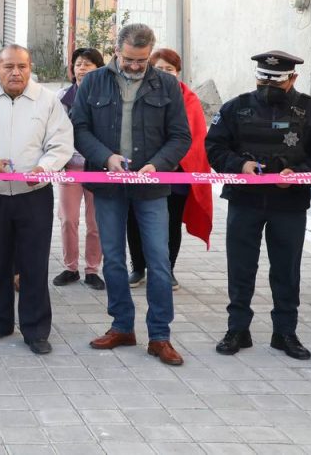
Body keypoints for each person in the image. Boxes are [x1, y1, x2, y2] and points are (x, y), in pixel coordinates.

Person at [70, 23, 191, 366]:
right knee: (113, 258)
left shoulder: (167, 84)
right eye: (130, 59)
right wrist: (105, 158)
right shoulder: (93, 81)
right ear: (116, 50)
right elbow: (78, 128)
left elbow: (181, 136)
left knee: (158, 261)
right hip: (108, 185)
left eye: (142, 60)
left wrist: (156, 165)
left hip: (151, 188)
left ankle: (160, 336)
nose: (136, 66)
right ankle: (122, 325)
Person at [0, 44, 75, 355]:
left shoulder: (48, 101)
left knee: (34, 263)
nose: (16, 72)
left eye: (22, 66)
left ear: (30, 67)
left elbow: (62, 143)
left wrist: (45, 168)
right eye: (8, 66)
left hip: (33, 194)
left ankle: (36, 329)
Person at [206, 50, 311, 360]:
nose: (267, 84)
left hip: (290, 203)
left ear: (292, 78)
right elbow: (214, 147)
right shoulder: (236, 108)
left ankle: (285, 332)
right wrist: (238, 166)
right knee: (241, 267)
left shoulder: (310, 111)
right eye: (263, 78)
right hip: (245, 200)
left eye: (276, 80)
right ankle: (237, 329)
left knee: (286, 270)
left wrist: (297, 174)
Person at [127, 49, 213, 291]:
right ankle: (138, 267)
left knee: (170, 223)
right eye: (159, 69)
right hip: (142, 170)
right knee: (134, 219)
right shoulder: (136, 94)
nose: (165, 74)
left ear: (178, 72)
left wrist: (169, 160)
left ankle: (167, 269)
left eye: (170, 70)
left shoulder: (189, 98)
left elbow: (194, 137)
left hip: (176, 172)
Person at [53, 48, 105, 290]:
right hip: (70, 166)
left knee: (96, 223)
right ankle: (70, 267)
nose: (82, 68)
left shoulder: (107, 96)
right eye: (78, 64)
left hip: (99, 168)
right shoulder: (63, 97)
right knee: (68, 220)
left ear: (99, 68)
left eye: (88, 64)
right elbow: (54, 132)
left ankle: (92, 269)